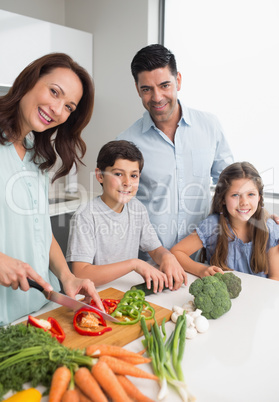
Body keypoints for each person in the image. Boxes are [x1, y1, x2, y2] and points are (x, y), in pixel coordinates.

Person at [0, 52, 104, 326]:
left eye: (69, 107)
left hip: (39, 308)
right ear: (29, 81)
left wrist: (67, 276)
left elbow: (40, 230)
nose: (58, 110)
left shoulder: (37, 154)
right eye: (54, 92)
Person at [116, 44, 234, 254]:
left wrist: (261, 215)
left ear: (178, 80)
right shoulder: (125, 142)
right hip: (149, 264)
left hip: (201, 259)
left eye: (164, 85)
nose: (157, 97)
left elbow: (232, 184)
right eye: (147, 89)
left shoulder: (210, 126)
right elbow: (119, 207)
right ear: (137, 89)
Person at [66, 140, 188, 291]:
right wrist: (134, 264)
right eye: (118, 174)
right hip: (97, 296)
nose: (127, 182)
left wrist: (167, 256)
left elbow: (155, 249)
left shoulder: (137, 208)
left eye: (134, 176)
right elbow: (81, 273)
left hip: (127, 290)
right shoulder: (86, 216)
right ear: (99, 175)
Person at [171, 162, 279, 280]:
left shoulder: (269, 228)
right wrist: (200, 270)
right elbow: (176, 252)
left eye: (251, 194)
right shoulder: (212, 226)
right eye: (235, 195)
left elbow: (275, 277)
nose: (244, 202)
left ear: (259, 197)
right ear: (222, 199)